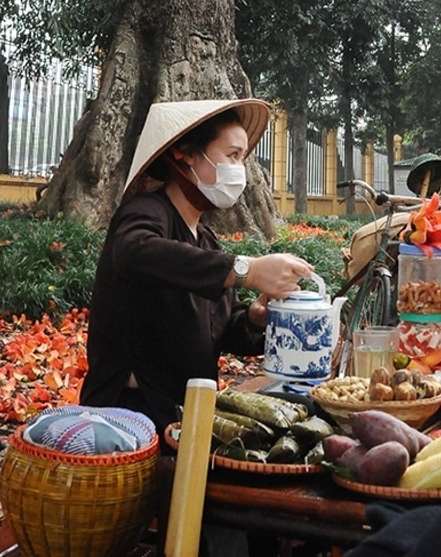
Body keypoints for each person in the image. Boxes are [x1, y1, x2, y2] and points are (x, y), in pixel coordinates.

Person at [80, 98, 313, 440]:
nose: (240, 169)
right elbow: (134, 253)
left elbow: (220, 328)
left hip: (187, 412)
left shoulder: (205, 240)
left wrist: (254, 317)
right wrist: (246, 270)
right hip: (131, 418)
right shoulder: (144, 213)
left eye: (243, 159)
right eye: (232, 155)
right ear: (185, 154)